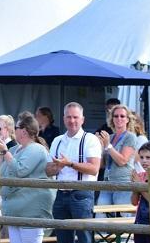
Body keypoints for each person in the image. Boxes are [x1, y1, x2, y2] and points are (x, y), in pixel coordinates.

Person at [0, 112, 55, 243]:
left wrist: (5, 152)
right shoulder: (14, 150)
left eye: (16, 128)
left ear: (24, 131)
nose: (13, 130)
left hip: (31, 211)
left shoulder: (37, 149)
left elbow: (20, 171)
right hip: (13, 210)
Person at [46, 102, 101, 243]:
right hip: (60, 193)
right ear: (64, 118)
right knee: (63, 239)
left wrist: (69, 163)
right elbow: (47, 170)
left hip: (82, 193)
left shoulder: (90, 139)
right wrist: (56, 168)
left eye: (75, 117)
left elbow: (94, 168)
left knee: (85, 239)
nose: (72, 121)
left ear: (82, 119)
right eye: (69, 117)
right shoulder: (57, 140)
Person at [95, 104, 137, 215]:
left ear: (128, 119)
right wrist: (99, 147)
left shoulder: (130, 137)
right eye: (116, 116)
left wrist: (108, 146)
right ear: (112, 119)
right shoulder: (111, 137)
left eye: (122, 116)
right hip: (107, 181)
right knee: (100, 215)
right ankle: (102, 233)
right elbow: (102, 165)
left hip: (123, 182)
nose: (119, 119)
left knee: (125, 217)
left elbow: (122, 161)